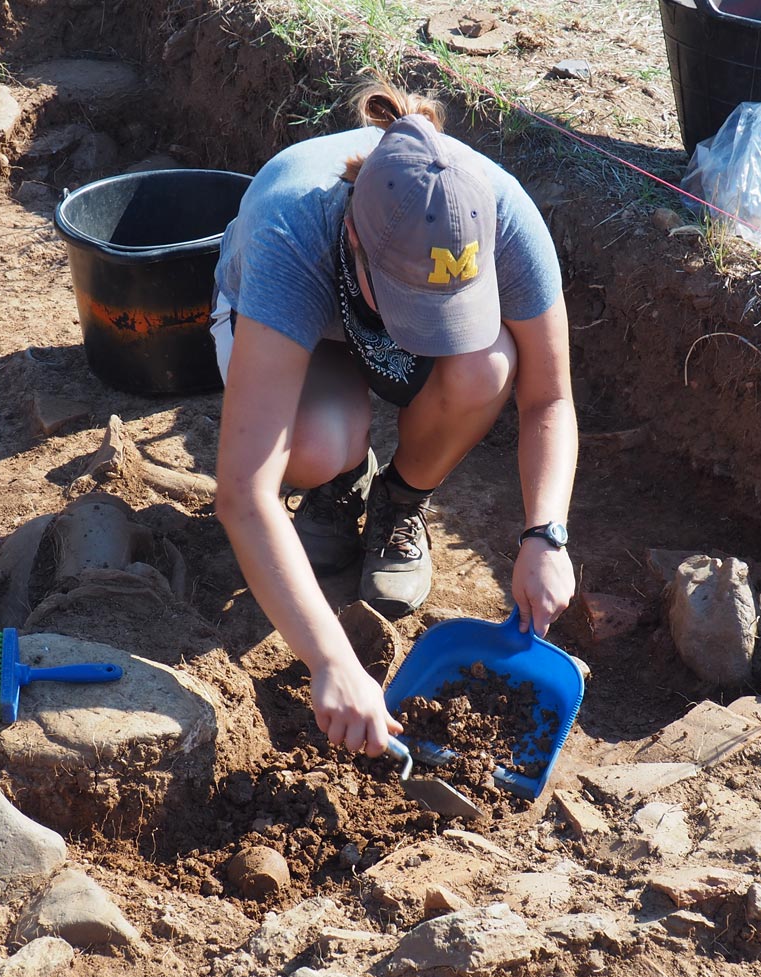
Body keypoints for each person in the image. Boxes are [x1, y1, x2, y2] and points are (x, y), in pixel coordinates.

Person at [211, 80, 577, 761]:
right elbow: (242, 494)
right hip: (291, 327)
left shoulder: (501, 215)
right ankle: (336, 484)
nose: (429, 333)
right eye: (415, 305)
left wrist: (545, 533)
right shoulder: (294, 232)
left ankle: (399, 499)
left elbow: (549, 397)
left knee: (488, 365)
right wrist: (331, 661)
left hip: (363, 325)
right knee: (319, 445)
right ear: (354, 238)